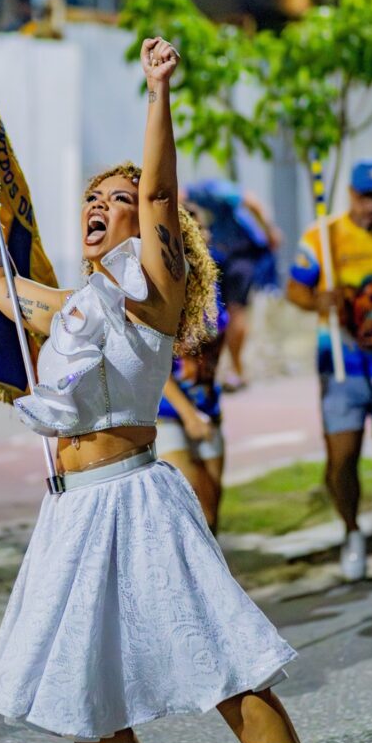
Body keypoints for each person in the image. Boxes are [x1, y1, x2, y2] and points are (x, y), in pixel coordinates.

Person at [0, 39, 302, 743]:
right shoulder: (72, 308)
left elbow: (158, 192)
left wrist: (157, 89)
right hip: (71, 514)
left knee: (231, 676)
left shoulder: (152, 294)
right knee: (80, 702)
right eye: (94, 196)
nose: (101, 205)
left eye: (117, 201)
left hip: (137, 501)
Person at [287, 159, 372, 584]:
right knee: (342, 459)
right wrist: (318, 301)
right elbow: (295, 288)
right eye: (365, 197)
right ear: (351, 196)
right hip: (342, 364)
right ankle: (352, 532)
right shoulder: (324, 236)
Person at [156, 204, 228, 534]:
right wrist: (187, 415)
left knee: (212, 511)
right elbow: (152, 364)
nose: (204, 238)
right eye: (194, 232)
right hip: (169, 411)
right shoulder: (159, 287)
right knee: (189, 509)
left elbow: (217, 338)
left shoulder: (211, 285)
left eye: (205, 231)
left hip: (207, 403)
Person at [186, 178, 281, 392]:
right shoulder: (223, 190)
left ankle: (222, 370)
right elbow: (252, 202)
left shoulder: (193, 192)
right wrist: (269, 231)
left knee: (219, 314)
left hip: (217, 256)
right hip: (238, 257)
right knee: (236, 312)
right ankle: (236, 370)